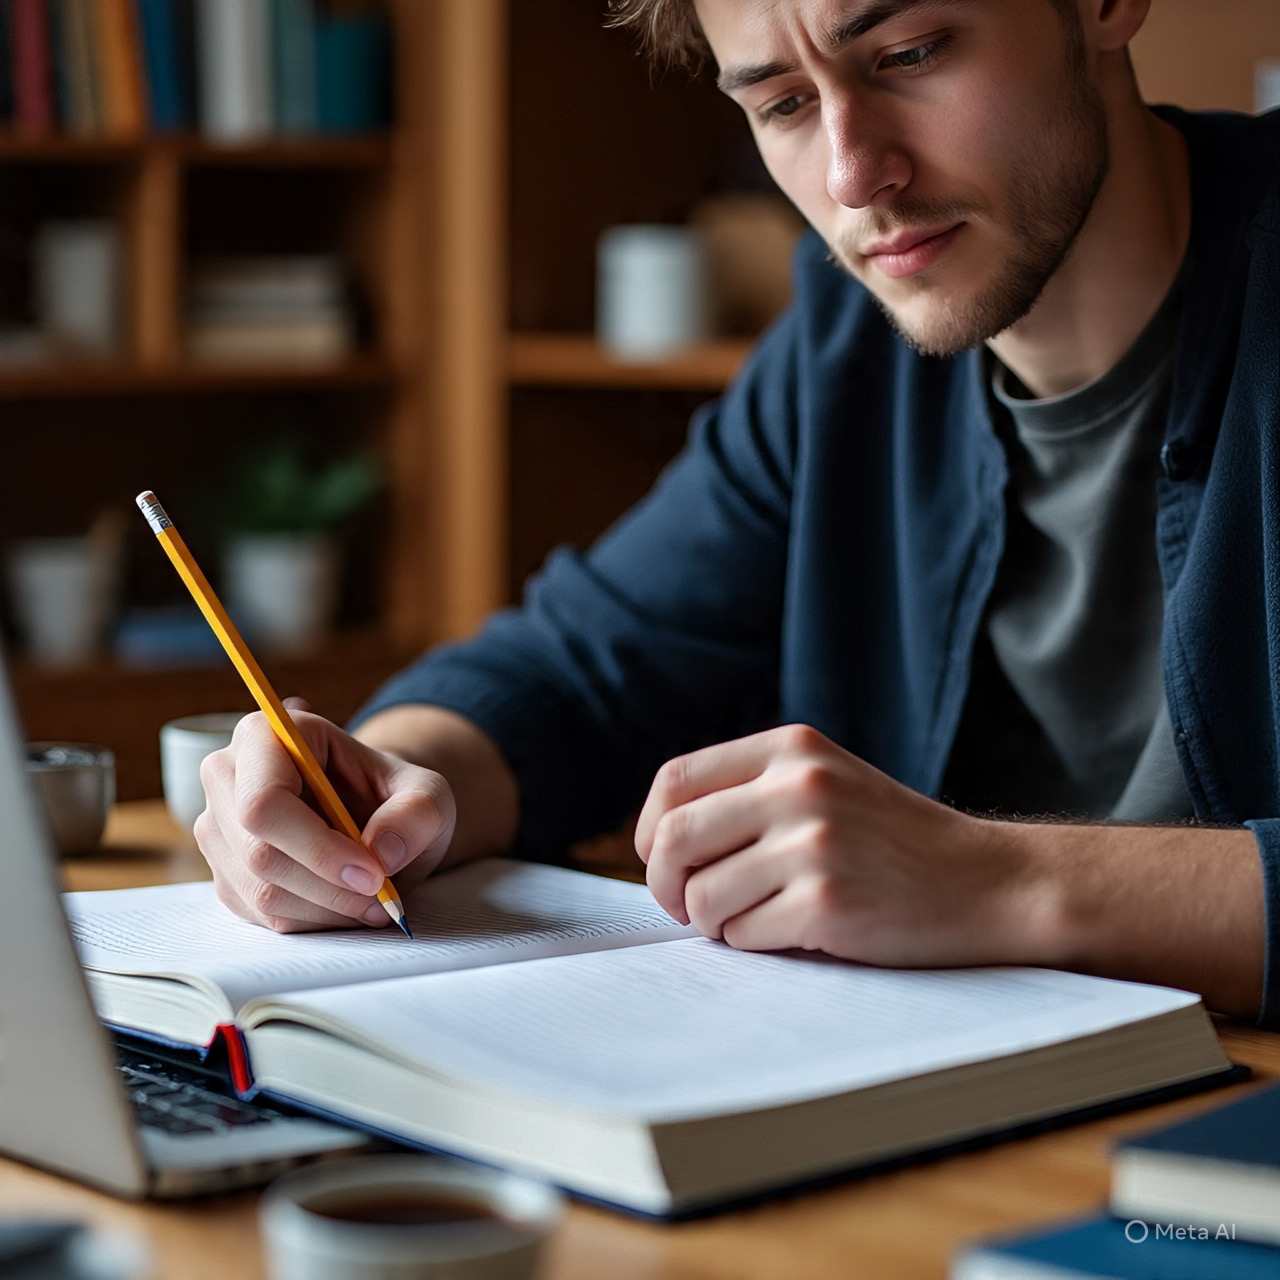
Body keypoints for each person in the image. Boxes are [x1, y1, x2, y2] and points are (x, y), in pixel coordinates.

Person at [196, 0, 1280, 1027]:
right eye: (783, 106)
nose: (856, 177)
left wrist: (993, 879)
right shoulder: (843, 353)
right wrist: (377, 787)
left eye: (909, 53)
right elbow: (575, 670)